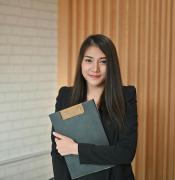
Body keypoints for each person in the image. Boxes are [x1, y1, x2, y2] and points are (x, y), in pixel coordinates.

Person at [51, 34, 138, 180]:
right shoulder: (65, 95)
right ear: (81, 63)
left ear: (112, 65)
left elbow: (125, 152)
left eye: (103, 61)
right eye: (89, 60)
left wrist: (76, 148)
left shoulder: (126, 95)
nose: (95, 68)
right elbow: (57, 150)